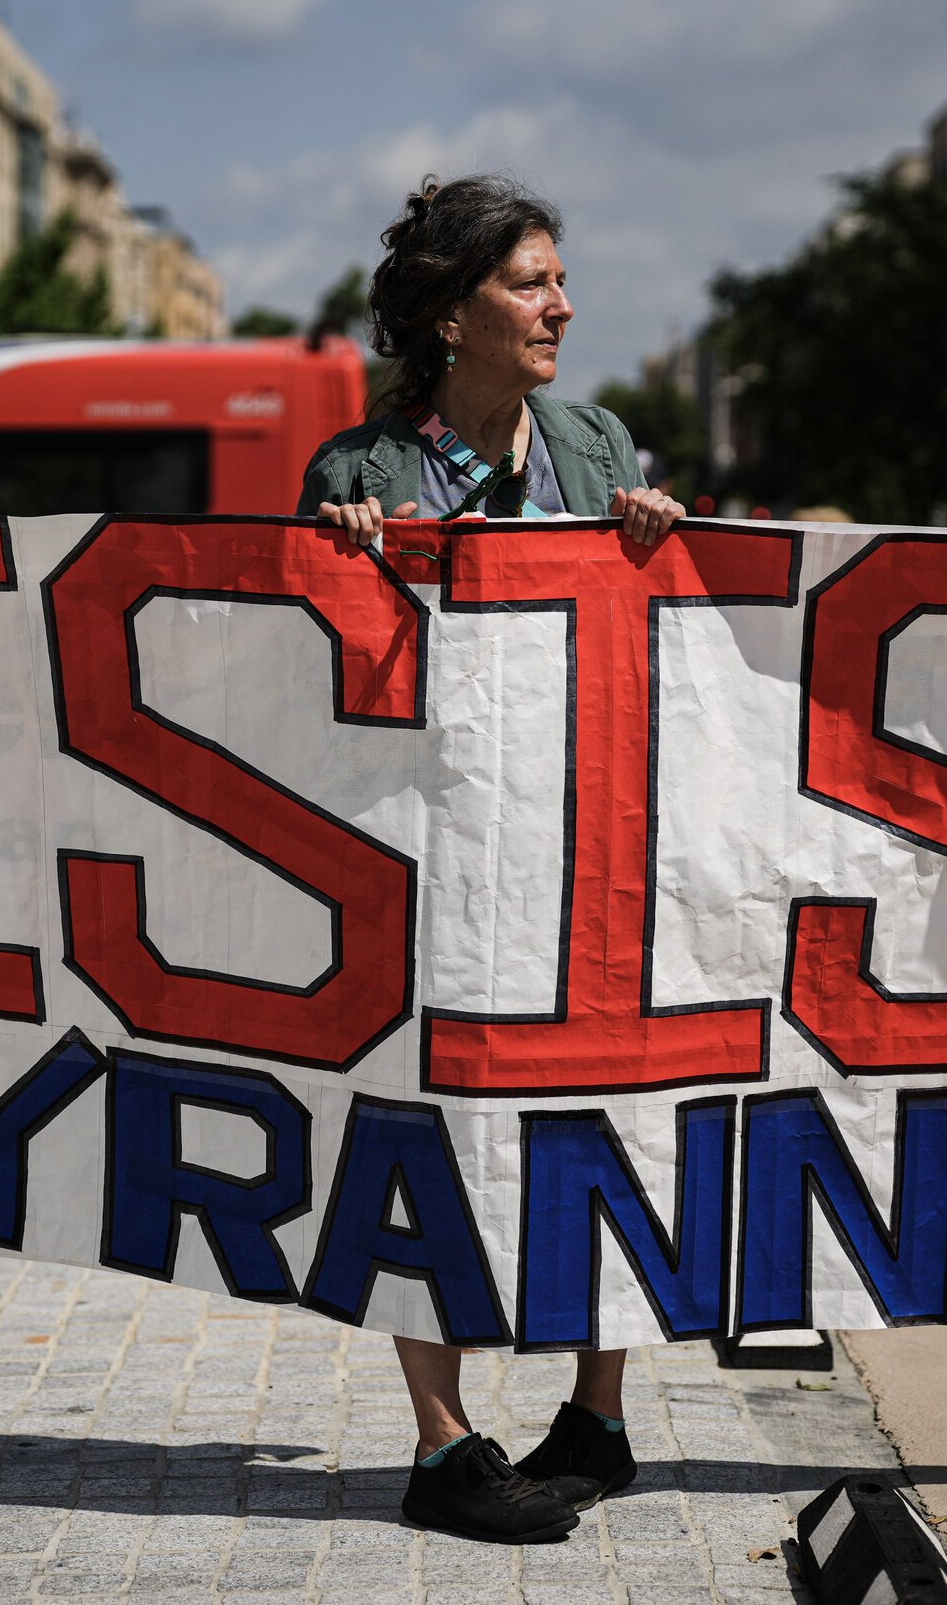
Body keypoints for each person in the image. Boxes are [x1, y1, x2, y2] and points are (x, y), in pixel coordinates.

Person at [296, 175, 686, 1543]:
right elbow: (319, 690)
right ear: (453, 313)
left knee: (609, 1107)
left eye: (559, 281)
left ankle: (601, 1415)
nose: (561, 306)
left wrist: (657, 544)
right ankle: (444, 1442)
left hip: (582, 843)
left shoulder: (593, 444)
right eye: (530, 282)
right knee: (426, 1121)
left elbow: (657, 638)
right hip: (434, 863)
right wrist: (339, 561)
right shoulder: (356, 475)